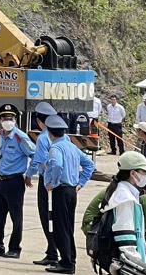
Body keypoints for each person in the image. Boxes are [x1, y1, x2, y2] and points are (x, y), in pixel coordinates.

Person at [42, 113, 97, 273]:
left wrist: (52, 182)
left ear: (50, 132)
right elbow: (89, 165)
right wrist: (80, 183)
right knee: (67, 227)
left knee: (60, 227)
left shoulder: (56, 147)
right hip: (71, 191)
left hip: (61, 190)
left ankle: (66, 263)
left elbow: (57, 165)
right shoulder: (73, 147)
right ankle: (69, 259)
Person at [0, 103, 34, 259]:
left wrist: (30, 174)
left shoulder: (20, 137)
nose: (8, 120)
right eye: (5, 118)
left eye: (10, 118)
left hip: (14, 182)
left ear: (16, 120)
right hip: (0, 180)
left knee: (16, 217)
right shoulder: (2, 135)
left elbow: (35, 155)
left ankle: (15, 248)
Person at [100, 151, 146, 266]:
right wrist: (137, 263)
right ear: (133, 173)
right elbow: (124, 234)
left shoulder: (124, 191)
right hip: (130, 262)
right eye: (144, 172)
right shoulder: (125, 198)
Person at [27, 101, 61, 267]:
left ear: (40, 122)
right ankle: (53, 251)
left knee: (46, 217)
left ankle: (52, 253)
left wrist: (29, 175)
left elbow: (39, 161)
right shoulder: (63, 135)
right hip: (60, 182)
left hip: (47, 183)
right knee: (55, 218)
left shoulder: (42, 138)